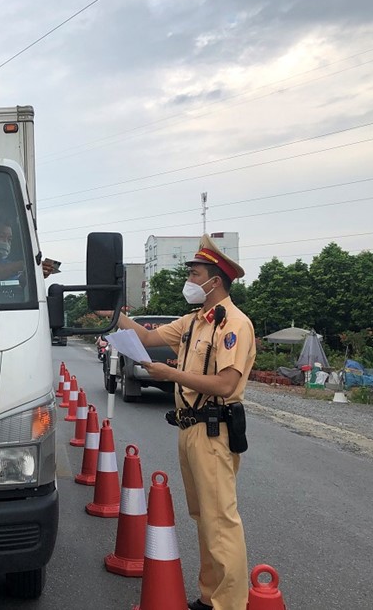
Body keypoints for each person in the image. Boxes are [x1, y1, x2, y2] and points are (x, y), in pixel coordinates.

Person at [105, 234, 255, 610]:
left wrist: (171, 376)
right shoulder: (194, 321)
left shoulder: (233, 324)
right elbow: (148, 335)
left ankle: (230, 604)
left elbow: (225, 383)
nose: (189, 279)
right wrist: (109, 308)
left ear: (215, 280)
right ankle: (211, 597)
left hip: (214, 429)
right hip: (190, 429)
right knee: (203, 517)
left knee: (221, 521)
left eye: (195, 272)